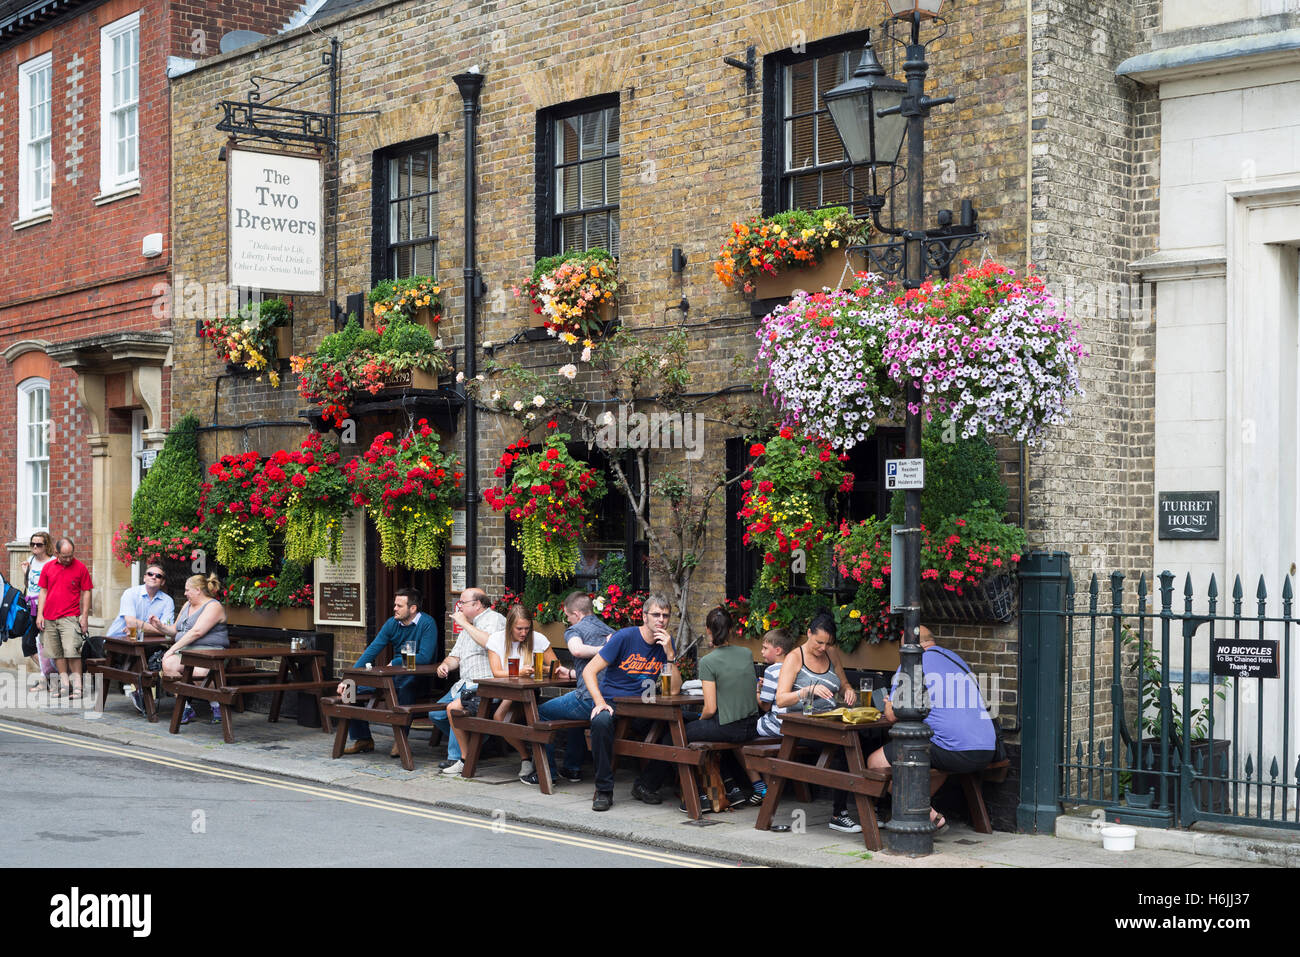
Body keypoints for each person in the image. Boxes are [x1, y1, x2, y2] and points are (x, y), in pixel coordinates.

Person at [868, 625, 996, 834]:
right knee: (930, 759)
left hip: (954, 750)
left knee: (875, 763)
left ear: (909, 648)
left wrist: (888, 703)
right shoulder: (957, 660)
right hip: (986, 748)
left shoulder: (912, 663)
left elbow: (892, 715)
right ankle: (910, 812)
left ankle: (927, 815)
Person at [637, 606, 762, 809]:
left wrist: (702, 722)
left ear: (708, 631)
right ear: (731, 630)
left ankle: (693, 796)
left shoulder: (708, 661)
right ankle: (730, 788)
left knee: (674, 735)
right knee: (684, 719)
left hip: (728, 727)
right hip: (751, 725)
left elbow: (710, 708)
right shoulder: (746, 653)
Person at [583, 593, 678, 812]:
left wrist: (670, 655)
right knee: (600, 722)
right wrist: (599, 702)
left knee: (679, 726)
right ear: (644, 616)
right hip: (614, 702)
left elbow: (673, 690)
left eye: (665, 615)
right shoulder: (624, 638)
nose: (661, 620)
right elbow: (590, 670)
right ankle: (604, 790)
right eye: (655, 614)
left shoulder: (665, 644)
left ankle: (646, 784)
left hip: (645, 706)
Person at [452, 604, 566, 784]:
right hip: (501, 689)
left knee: (500, 717)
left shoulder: (538, 639)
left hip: (525, 692)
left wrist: (540, 669)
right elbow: (497, 672)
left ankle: (525, 758)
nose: (523, 633)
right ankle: (465, 759)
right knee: (454, 707)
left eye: (527, 628)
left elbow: (555, 667)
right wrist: (519, 672)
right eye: (519, 629)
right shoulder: (497, 640)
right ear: (509, 626)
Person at [769, 611, 860, 833]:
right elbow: (781, 699)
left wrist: (848, 691)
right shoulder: (794, 658)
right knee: (844, 748)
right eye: (819, 642)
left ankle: (873, 806)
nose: (823, 648)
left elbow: (843, 683)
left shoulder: (832, 653)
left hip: (832, 719)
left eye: (827, 643)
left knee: (867, 739)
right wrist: (807, 691)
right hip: (804, 725)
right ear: (808, 633)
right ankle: (839, 814)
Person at [334, 588, 438, 756]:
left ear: (412, 609)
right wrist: (348, 679)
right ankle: (363, 739)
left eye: (399, 605)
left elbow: (425, 657)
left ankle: (400, 739)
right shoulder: (392, 623)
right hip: (393, 676)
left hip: (418, 677)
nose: (394, 608)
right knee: (350, 691)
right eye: (395, 604)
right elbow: (372, 650)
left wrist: (395, 662)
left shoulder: (427, 624)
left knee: (406, 689)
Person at [530, 590, 614, 786]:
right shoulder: (611, 631)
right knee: (573, 717)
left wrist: (604, 650)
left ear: (576, 614)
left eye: (567, 616)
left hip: (589, 698)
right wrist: (570, 673)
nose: (567, 620)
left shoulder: (574, 630)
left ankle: (546, 773)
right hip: (610, 700)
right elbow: (599, 669)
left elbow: (576, 649)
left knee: (539, 712)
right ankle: (572, 768)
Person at [429, 587, 507, 771]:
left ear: (477, 604)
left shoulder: (494, 620)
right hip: (462, 684)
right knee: (436, 715)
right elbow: (455, 656)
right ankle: (478, 743)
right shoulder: (468, 624)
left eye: (462, 602)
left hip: (484, 685)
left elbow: (490, 642)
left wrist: (464, 624)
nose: (459, 606)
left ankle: (457, 758)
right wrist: (445, 665)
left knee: (455, 712)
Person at [152, 574, 230, 725]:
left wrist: (171, 649)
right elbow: (175, 629)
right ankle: (185, 707)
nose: (185, 593)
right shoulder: (187, 605)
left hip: (209, 652)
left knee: (198, 673)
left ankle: (216, 704)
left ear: (198, 590)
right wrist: (160, 626)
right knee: (168, 664)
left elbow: (197, 632)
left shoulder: (213, 606)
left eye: (188, 590)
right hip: (187, 651)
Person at [106, 563, 176, 715]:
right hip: (117, 643)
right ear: (144, 577)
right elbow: (130, 623)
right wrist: (158, 628)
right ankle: (141, 693)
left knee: (151, 655)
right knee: (140, 655)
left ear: (162, 582)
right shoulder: (130, 594)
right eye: (150, 574)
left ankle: (141, 694)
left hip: (144, 644)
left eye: (158, 576)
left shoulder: (167, 601)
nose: (153, 577)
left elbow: (169, 631)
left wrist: (140, 627)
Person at [35, 538, 93, 700]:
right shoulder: (48, 567)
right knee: (56, 653)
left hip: (70, 617)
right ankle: (65, 684)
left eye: (70, 556)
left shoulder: (80, 567)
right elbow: (43, 591)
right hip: (49, 617)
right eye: (64, 556)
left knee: (72, 652)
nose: (68, 559)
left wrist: (84, 617)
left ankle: (78, 687)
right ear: (56, 553)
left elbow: (87, 591)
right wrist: (40, 615)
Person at [19, 531, 52, 689]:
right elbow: (30, 586)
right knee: (28, 644)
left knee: (42, 643)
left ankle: (48, 678)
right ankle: (49, 676)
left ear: (46, 546)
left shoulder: (51, 562)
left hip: (44, 607)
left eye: (39, 544)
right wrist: (26, 573)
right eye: (32, 544)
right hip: (30, 606)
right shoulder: (31, 560)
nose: (35, 547)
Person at [755, 627, 795, 736]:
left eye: (765, 648)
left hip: (776, 725)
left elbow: (765, 706)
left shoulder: (771, 671)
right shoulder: (795, 668)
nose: (762, 651)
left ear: (778, 650)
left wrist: (757, 691)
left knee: (747, 726)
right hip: (794, 725)